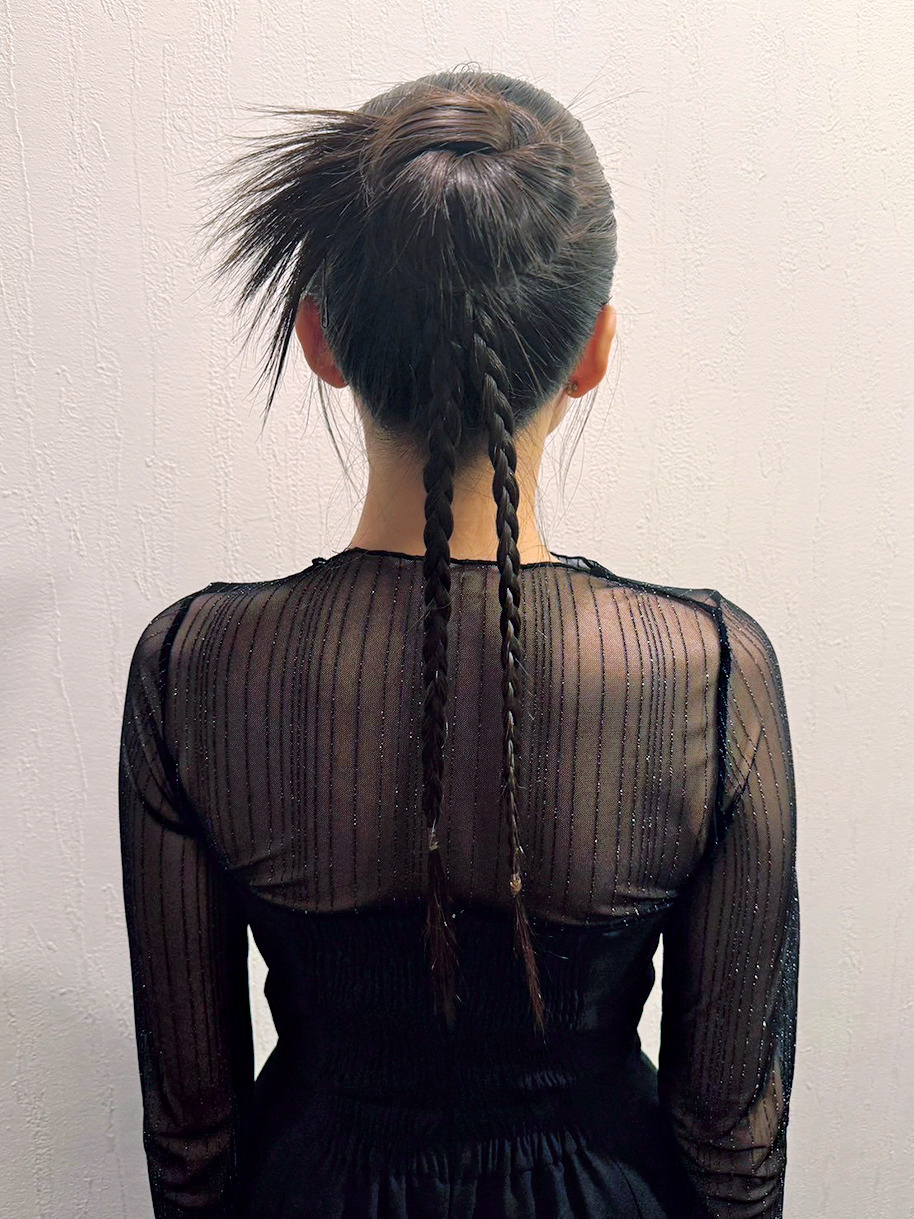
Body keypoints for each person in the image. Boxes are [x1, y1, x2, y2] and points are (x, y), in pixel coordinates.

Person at [118, 69, 799, 1219]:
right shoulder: (707, 674)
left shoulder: (193, 669)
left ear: (320, 339)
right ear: (592, 350)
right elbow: (731, 1136)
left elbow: (191, 1132)